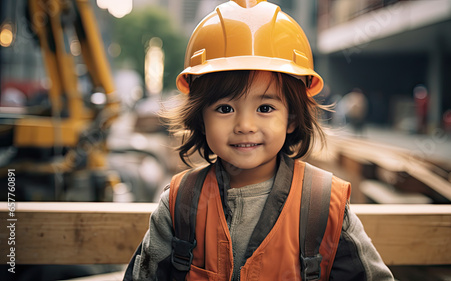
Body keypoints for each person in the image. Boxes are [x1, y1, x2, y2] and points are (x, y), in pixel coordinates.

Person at [124, 1, 393, 280]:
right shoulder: (180, 204)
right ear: (201, 118)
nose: (245, 126)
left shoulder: (324, 205)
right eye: (225, 108)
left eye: (265, 108)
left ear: (291, 119)